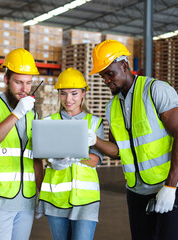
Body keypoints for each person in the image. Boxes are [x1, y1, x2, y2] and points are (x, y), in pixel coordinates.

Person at [89, 39, 178, 240]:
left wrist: (170, 187)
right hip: (135, 193)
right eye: (103, 77)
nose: (107, 81)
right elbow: (118, 152)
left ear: (125, 65)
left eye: (110, 73)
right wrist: (94, 141)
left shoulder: (156, 90)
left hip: (167, 187)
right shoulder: (112, 107)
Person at [36, 68, 119, 240]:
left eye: (74, 93)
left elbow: (95, 160)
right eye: (63, 94)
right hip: (55, 198)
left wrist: (68, 154)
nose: (69, 99)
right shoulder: (48, 123)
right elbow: (42, 156)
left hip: (86, 199)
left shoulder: (94, 123)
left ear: (83, 93)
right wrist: (56, 158)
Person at [0, 48, 44, 240]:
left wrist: (43, 193)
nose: (24, 89)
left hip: (26, 199)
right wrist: (16, 114)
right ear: (6, 80)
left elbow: (35, 158)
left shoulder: (32, 114)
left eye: (29, 83)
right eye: (18, 82)